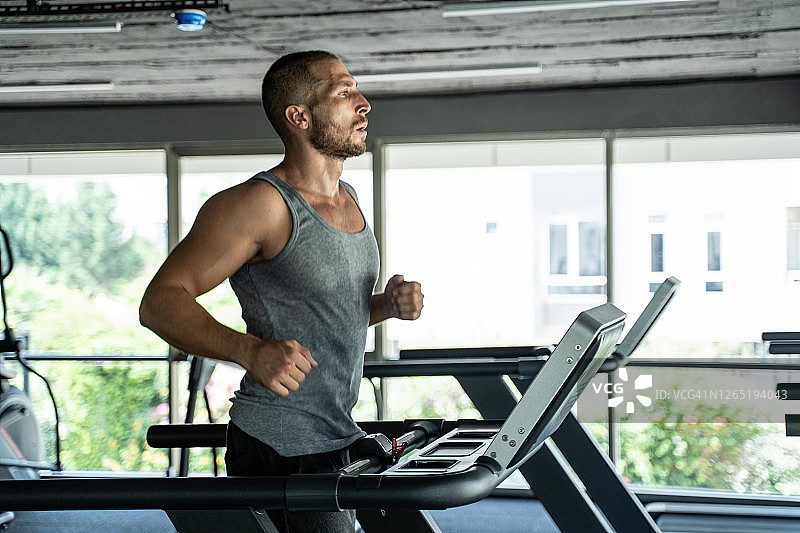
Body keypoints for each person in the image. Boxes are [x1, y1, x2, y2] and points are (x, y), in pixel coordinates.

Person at [139, 50, 424, 532]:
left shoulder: (349, 199)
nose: (364, 103)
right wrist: (248, 351)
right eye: (345, 92)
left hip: (334, 430)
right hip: (280, 443)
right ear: (299, 116)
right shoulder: (259, 205)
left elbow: (323, 312)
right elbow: (160, 301)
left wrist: (385, 306)